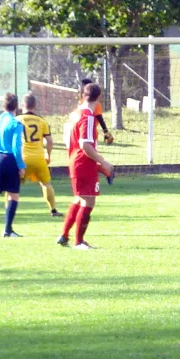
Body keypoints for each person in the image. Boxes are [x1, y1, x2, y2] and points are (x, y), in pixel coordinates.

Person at [57, 83, 114, 250]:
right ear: (99, 98)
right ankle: (79, 242)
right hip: (83, 162)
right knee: (89, 200)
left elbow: (69, 140)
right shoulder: (88, 117)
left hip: (75, 160)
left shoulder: (74, 114)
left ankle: (64, 235)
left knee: (79, 198)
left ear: (83, 95)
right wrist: (102, 162)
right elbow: (85, 144)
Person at [0, 93, 26, 237]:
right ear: (17, 106)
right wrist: (20, 165)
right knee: (13, 194)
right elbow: (15, 146)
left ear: (3, 105)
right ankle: (7, 230)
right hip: (7, 158)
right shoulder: (16, 124)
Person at [17, 93, 63, 217]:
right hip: (39, 158)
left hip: (23, 159)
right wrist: (48, 155)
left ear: (22, 105)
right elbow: (50, 141)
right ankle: (53, 210)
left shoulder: (17, 120)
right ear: (35, 106)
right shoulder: (42, 121)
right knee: (46, 184)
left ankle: (9, 210)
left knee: (13, 185)